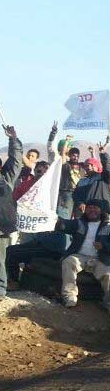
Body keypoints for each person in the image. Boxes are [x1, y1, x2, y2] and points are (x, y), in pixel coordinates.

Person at [58, 199, 110, 312]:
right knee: (68, 262)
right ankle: (70, 297)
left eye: (95, 207)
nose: (92, 210)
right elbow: (65, 226)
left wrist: (103, 246)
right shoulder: (79, 222)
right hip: (80, 256)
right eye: (89, 207)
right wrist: (56, 220)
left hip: (101, 258)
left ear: (101, 210)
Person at [0, 125, 23, 299]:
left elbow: (16, 161)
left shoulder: (6, 180)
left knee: (0, 260)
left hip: (2, 226)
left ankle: (1, 290)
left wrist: (13, 139)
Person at [71, 140, 110, 216]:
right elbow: (76, 196)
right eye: (87, 165)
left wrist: (103, 154)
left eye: (92, 165)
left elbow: (108, 168)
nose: (89, 167)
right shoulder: (82, 181)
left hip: (102, 211)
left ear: (97, 167)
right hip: (87, 213)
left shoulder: (103, 177)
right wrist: (80, 203)